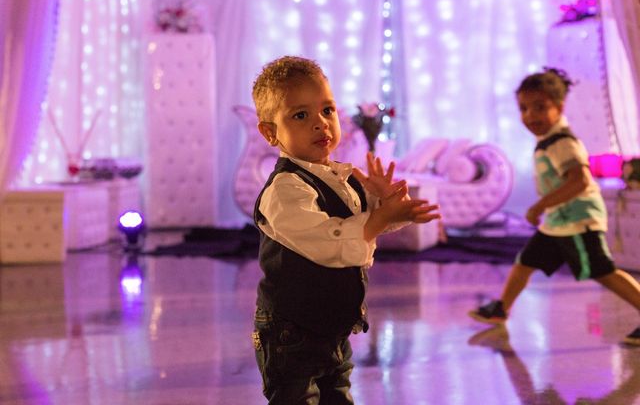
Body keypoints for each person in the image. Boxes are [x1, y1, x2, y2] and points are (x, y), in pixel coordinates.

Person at [250, 55, 440, 404]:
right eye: (301, 115)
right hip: (290, 331)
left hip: (331, 325)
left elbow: (364, 225)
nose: (321, 124)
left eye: (327, 110)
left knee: (336, 394)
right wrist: (378, 219)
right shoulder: (285, 189)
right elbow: (328, 241)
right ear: (270, 132)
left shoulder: (339, 176)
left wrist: (387, 206)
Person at [468, 67, 640, 346]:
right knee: (525, 262)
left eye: (539, 107)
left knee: (603, 272)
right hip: (559, 221)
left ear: (559, 107)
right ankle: (501, 309)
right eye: (524, 108)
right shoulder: (547, 141)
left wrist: (539, 207)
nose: (530, 116)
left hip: (578, 220)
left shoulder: (562, 143)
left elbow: (580, 182)